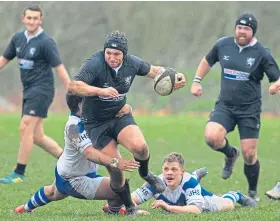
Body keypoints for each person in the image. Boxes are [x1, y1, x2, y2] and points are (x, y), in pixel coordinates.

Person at [68, 30, 186, 215]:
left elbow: (155, 71)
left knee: (141, 148)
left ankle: (146, 174)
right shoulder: (95, 64)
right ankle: (129, 207)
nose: (112, 57)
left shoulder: (133, 63)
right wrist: (99, 91)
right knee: (116, 169)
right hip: (96, 124)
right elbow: (74, 86)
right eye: (108, 53)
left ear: (124, 54)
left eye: (117, 54)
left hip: (119, 115)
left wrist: (176, 75)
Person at [190, 12, 280, 201]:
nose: (241, 32)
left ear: (252, 32)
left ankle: (252, 193)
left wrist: (275, 85)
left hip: (250, 110)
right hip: (226, 106)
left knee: (249, 154)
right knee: (211, 137)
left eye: (246, 29)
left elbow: (276, 78)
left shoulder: (262, 53)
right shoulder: (223, 44)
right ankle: (230, 154)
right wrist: (197, 81)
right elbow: (208, 60)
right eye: (239, 27)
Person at [13, 93, 140, 215]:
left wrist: (126, 108)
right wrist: (116, 162)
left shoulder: (88, 115)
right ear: (81, 105)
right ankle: (116, 210)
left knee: (53, 193)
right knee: (119, 189)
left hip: (66, 170)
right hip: (73, 179)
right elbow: (89, 153)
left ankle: (24, 209)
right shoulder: (73, 127)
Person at [0, 5, 71, 184]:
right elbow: (2, 61)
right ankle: (69, 163)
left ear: (41, 20)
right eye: (29, 18)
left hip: (42, 89)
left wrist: (71, 91)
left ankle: (18, 174)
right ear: (23, 19)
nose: (31, 21)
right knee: (37, 136)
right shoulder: (18, 39)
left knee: (25, 127)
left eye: (35, 18)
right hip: (29, 90)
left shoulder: (46, 42)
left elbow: (59, 68)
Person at [103, 152, 256, 215]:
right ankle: (197, 175)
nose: (169, 173)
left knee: (228, 205)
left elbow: (196, 210)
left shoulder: (189, 183)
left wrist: (168, 207)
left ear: (182, 172)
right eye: (166, 169)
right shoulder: (155, 182)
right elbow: (132, 199)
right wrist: (130, 209)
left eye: (174, 170)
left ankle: (236, 194)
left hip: (201, 199)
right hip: (183, 196)